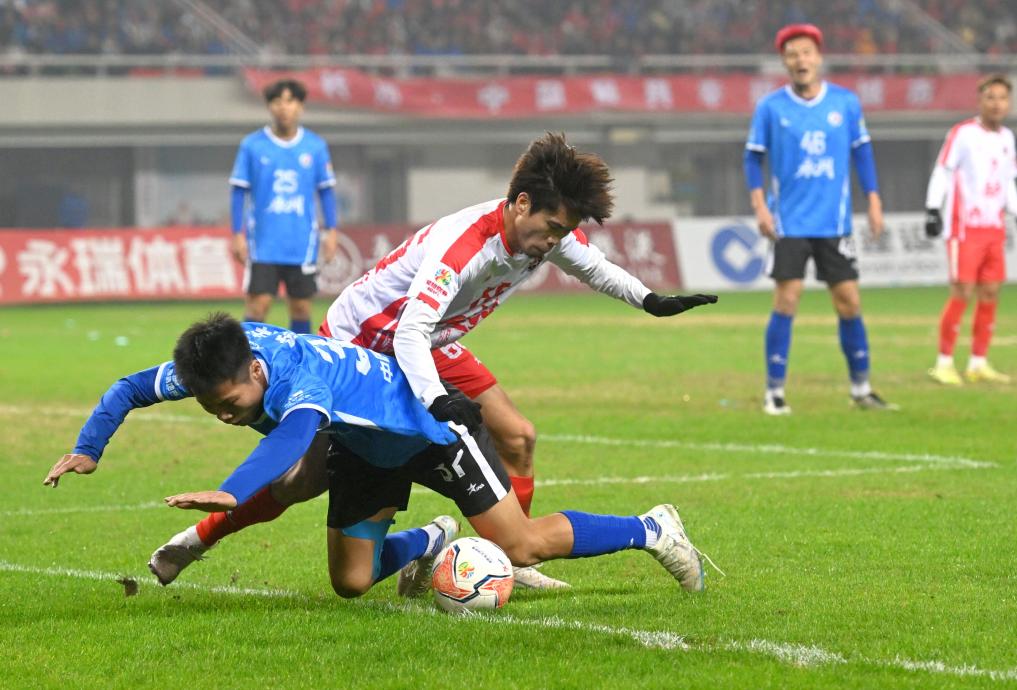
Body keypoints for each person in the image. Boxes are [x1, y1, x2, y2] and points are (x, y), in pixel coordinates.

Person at [146, 132, 718, 591]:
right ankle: (197, 539)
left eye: (562, 232)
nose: (556, 242)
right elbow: (408, 332)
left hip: (431, 344)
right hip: (364, 345)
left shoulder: (545, 231)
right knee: (301, 479)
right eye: (551, 229)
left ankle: (509, 557)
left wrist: (650, 300)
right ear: (521, 203)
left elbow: (595, 267)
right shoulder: (463, 247)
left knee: (518, 436)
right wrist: (437, 399)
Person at [43, 314, 709, 599]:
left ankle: (652, 527)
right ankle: (430, 541)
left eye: (230, 402)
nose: (223, 414)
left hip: (431, 432)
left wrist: (232, 489)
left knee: (523, 545)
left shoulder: (299, 379)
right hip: (367, 450)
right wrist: (87, 448)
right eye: (209, 405)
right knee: (351, 584)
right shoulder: (214, 366)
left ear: (255, 369)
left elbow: (294, 438)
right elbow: (128, 387)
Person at [743, 23, 895, 416]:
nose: (801, 60)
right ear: (784, 62)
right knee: (787, 300)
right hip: (788, 223)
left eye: (806, 52)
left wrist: (874, 200)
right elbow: (752, 158)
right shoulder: (771, 107)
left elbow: (862, 153)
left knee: (849, 302)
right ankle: (774, 392)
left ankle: (861, 389)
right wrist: (760, 206)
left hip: (835, 223)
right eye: (793, 54)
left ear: (819, 57)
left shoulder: (845, 103)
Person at [925, 74, 1016, 386]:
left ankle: (978, 362)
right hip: (964, 228)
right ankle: (944, 363)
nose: (997, 104)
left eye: (1002, 98)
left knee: (991, 292)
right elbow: (943, 170)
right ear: (979, 101)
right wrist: (932, 208)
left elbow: (1008, 182)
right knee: (962, 291)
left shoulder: (1007, 138)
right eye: (991, 97)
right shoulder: (963, 134)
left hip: (994, 227)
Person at [229, 78, 339, 334]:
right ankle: (247, 357)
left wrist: (332, 231)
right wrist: (237, 233)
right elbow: (238, 190)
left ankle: (298, 360)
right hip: (263, 243)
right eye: (277, 102)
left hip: (302, 242)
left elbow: (326, 191)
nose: (284, 107)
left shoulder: (315, 146)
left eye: (290, 101)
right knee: (258, 305)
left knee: (301, 308)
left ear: (300, 106)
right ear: (269, 107)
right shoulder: (252, 145)